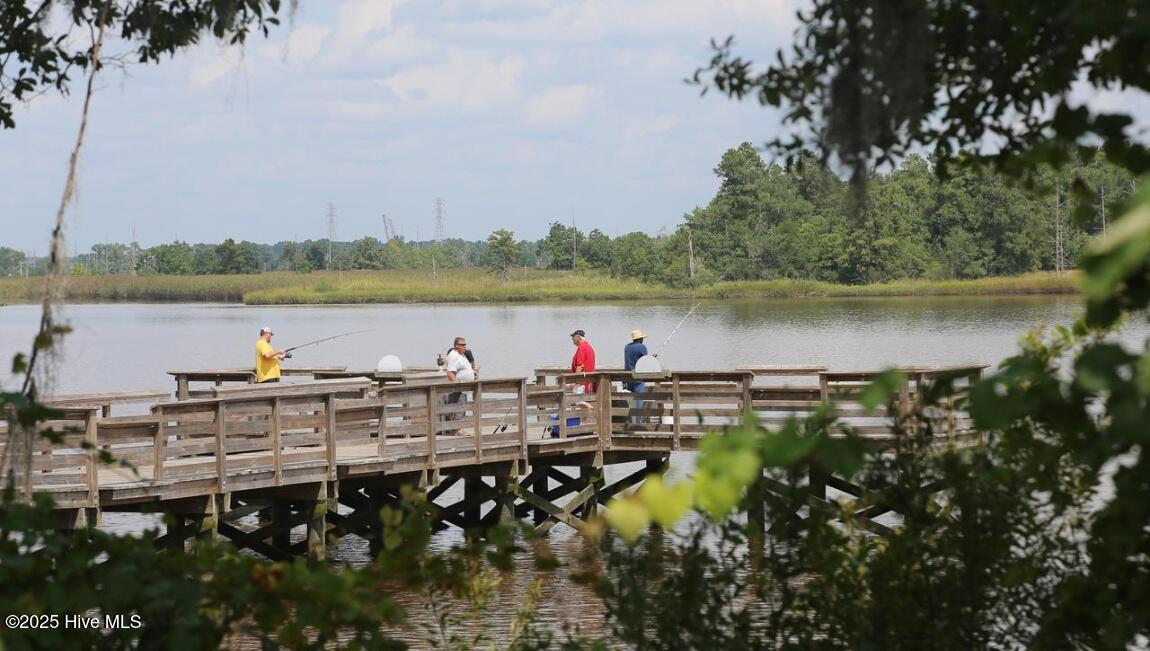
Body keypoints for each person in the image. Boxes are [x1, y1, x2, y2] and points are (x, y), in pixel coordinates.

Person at [443, 337, 475, 429]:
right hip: (458, 387)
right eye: (462, 345)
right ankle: (457, 430)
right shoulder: (453, 356)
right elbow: (450, 373)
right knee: (458, 407)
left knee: (461, 407)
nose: (465, 346)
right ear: (456, 345)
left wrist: (473, 373)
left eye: (465, 345)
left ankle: (458, 429)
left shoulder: (461, 355)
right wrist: (457, 385)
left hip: (463, 387)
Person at [569, 329, 596, 394]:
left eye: (573, 337)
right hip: (589, 382)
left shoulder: (582, 348)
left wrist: (575, 381)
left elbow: (580, 366)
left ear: (578, 337)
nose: (572, 339)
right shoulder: (588, 346)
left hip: (582, 383)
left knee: (578, 400)